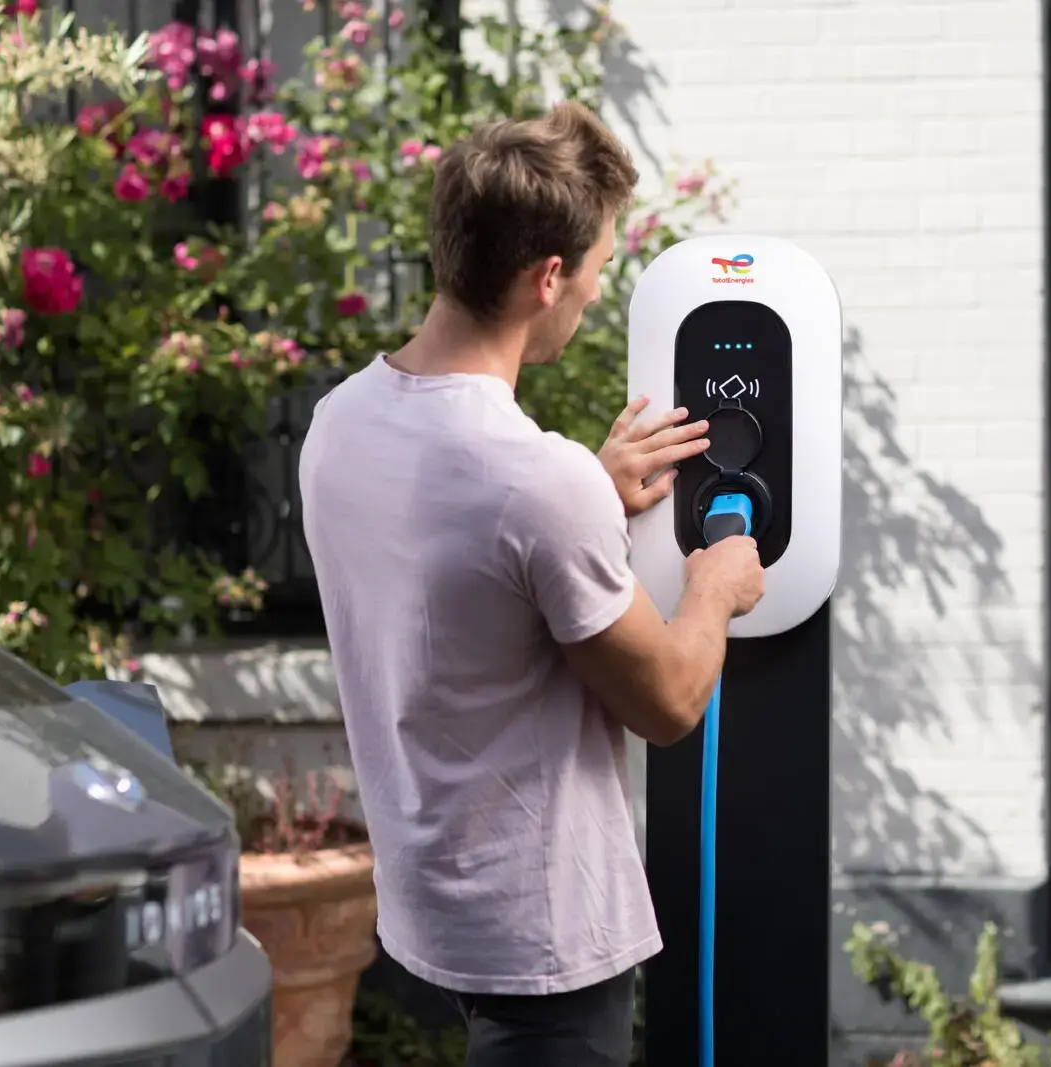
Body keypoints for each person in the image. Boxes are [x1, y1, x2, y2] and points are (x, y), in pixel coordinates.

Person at [297, 100, 766, 1067]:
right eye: (596, 271)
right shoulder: (532, 480)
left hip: (435, 906)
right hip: (546, 938)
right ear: (547, 277)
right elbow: (671, 700)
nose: (595, 291)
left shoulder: (339, 422)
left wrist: (589, 495)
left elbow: (456, 568)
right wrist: (715, 585)